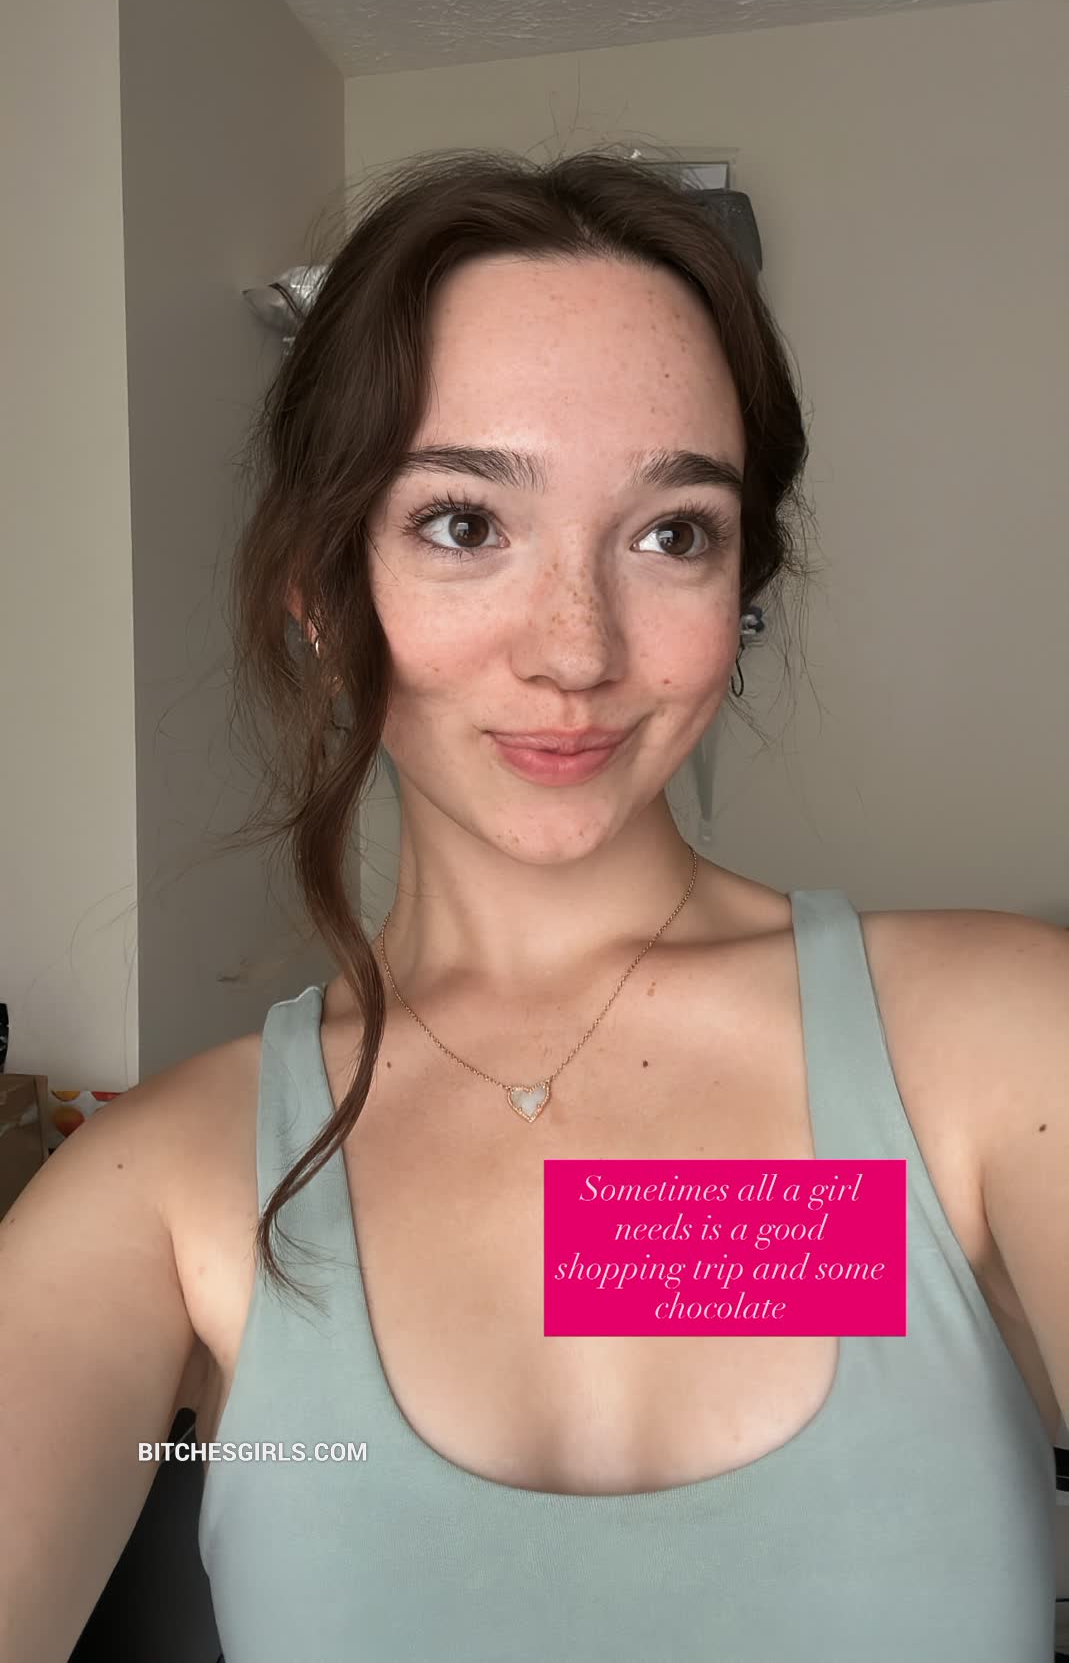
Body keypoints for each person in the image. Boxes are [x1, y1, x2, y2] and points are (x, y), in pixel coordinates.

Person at [2, 149, 1066, 1663]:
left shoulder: (996, 1048)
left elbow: (614, 1262)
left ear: (740, 589)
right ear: (320, 593)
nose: (576, 649)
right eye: (463, 523)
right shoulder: (164, 1190)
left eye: (671, 532)